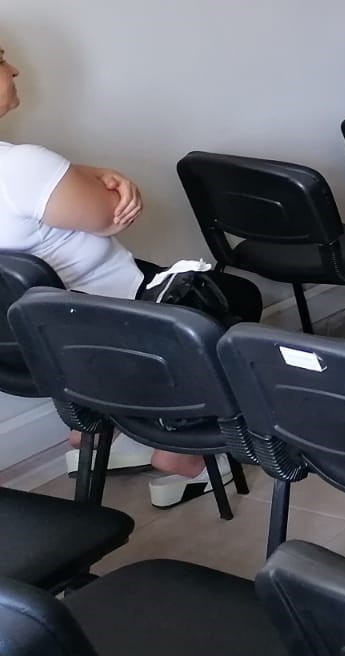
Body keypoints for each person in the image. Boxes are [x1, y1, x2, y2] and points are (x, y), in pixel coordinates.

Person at [0, 41, 262, 507]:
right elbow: (111, 215)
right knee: (234, 297)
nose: (15, 69)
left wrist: (82, 171)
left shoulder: (20, 165)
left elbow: (47, 186)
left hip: (28, 343)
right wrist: (97, 177)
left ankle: (95, 432)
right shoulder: (22, 166)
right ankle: (179, 456)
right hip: (101, 323)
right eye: (1, 60)